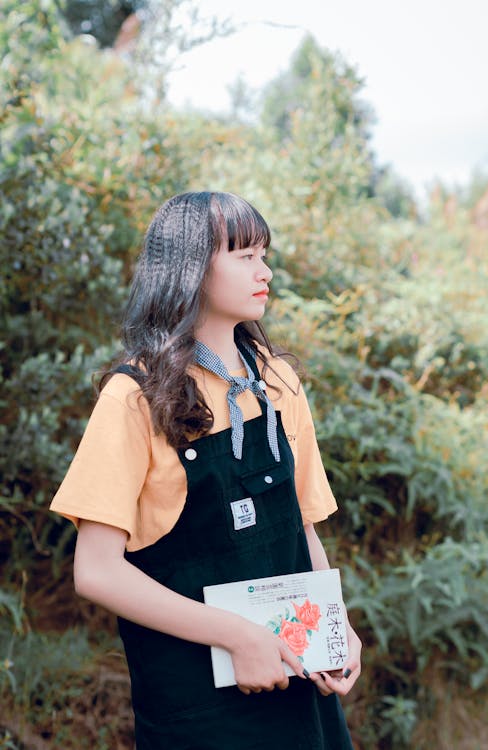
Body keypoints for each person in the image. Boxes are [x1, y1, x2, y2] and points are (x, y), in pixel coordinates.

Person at [50, 191, 362, 749]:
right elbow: (96, 571)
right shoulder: (136, 397)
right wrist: (236, 637)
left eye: (264, 255)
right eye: (244, 256)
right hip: (196, 712)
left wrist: (335, 631)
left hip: (300, 693)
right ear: (189, 267)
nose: (264, 271)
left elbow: (302, 529)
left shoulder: (278, 382)